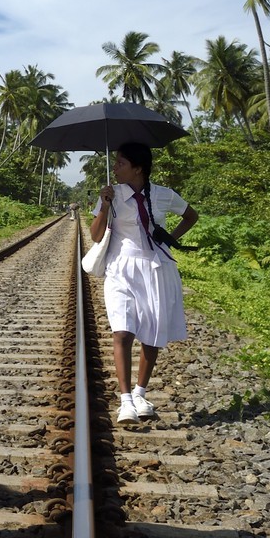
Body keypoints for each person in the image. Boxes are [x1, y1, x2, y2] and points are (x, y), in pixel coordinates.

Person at [88, 142, 198, 424]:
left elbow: (191, 216)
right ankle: (125, 401)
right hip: (121, 267)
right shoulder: (111, 194)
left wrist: (169, 238)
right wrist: (105, 205)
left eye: (121, 163)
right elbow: (96, 236)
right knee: (122, 331)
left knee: (152, 333)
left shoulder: (162, 195)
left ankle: (140, 393)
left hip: (155, 268)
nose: (115, 168)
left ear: (138, 168)